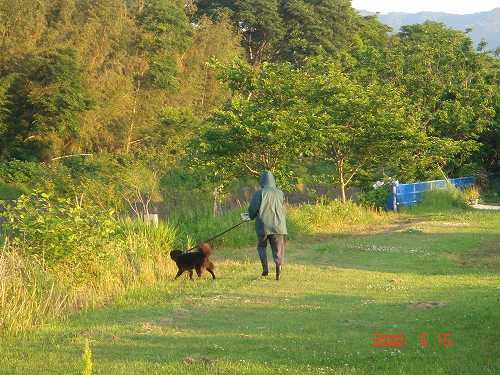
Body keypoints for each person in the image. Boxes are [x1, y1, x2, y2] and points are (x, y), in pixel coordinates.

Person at [241, 171, 287, 280]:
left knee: (261, 247)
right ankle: (278, 268)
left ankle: (265, 269)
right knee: (278, 249)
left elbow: (252, 209)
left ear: (262, 181)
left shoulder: (259, 193)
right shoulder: (280, 193)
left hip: (263, 226)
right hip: (278, 226)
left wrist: (250, 216)